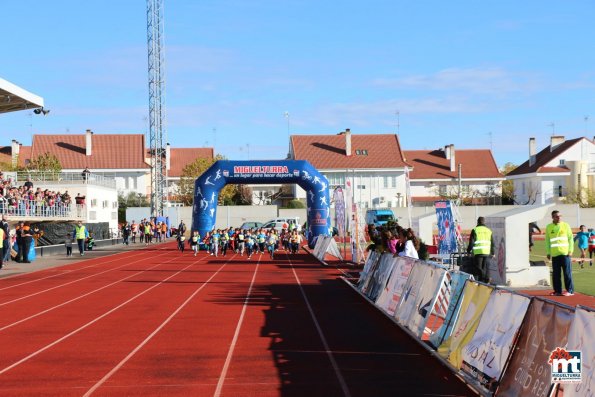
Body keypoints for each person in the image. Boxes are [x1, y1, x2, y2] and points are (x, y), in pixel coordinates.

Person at [545, 210, 574, 297]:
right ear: (553, 217)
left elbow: (570, 239)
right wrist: (548, 252)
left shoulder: (566, 225)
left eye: (560, 216)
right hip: (555, 254)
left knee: (567, 273)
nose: (559, 218)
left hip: (565, 254)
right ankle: (558, 291)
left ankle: (570, 291)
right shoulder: (549, 227)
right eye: (557, 216)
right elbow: (547, 241)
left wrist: (570, 250)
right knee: (556, 274)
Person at [466, 217, 494, 283]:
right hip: (487, 252)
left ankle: (486, 278)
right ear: (484, 222)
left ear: (477, 222)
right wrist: (493, 253)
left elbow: (471, 242)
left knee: (478, 267)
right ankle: (483, 282)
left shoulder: (475, 230)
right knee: (484, 268)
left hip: (478, 252)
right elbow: (492, 242)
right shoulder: (488, 230)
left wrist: (468, 251)